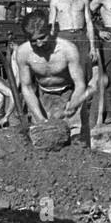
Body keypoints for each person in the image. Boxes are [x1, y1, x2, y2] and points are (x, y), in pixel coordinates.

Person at [12, 9, 91, 147]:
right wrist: (40, 118)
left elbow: (80, 84)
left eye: (42, 37)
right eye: (34, 41)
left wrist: (70, 108)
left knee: (76, 142)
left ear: (50, 29)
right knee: (43, 141)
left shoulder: (68, 49)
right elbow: (27, 87)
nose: (39, 44)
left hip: (70, 95)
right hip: (43, 97)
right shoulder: (23, 53)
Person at [50, 0, 98, 81]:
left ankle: (83, 97)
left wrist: (93, 47)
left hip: (81, 37)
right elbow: (51, 24)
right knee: (65, 71)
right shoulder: (56, 0)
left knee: (83, 72)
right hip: (64, 37)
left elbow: (89, 22)